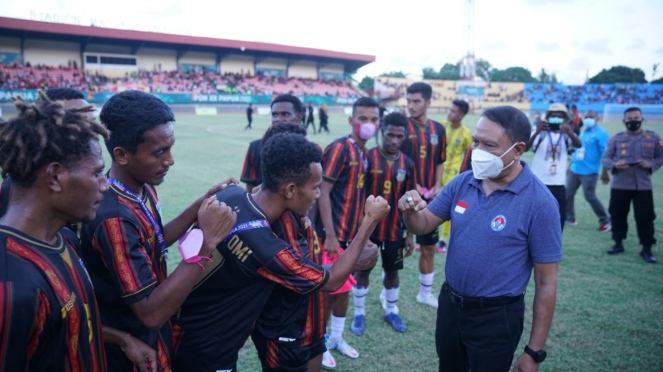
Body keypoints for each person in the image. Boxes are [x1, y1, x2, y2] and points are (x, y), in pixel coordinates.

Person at [172, 133, 388, 372]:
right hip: (206, 347)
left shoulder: (230, 195)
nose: (318, 195)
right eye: (315, 188)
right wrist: (369, 222)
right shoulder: (265, 246)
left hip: (186, 325)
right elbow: (332, 280)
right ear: (291, 190)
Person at [80, 90, 238, 372]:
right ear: (122, 154)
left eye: (170, 148)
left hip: (155, 336)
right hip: (129, 350)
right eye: (159, 152)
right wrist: (205, 247)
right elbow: (150, 313)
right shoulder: (113, 219)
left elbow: (154, 239)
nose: (170, 160)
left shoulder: (141, 187)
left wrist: (201, 202)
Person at [399, 105, 562, 372]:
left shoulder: (540, 203)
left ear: (518, 150)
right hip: (451, 306)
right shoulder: (464, 182)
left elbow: (546, 282)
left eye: (490, 145)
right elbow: (423, 223)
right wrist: (409, 209)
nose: (478, 151)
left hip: (497, 318)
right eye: (476, 141)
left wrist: (534, 352)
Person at [0, 92, 108, 371]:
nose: (105, 185)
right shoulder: (11, 289)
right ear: (56, 177)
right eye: (97, 173)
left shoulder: (67, 239)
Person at [317, 97, 380, 367]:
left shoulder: (364, 151)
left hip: (350, 237)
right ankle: (318, 344)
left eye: (374, 119)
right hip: (332, 236)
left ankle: (336, 338)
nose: (369, 124)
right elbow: (323, 192)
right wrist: (330, 235)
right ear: (351, 120)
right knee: (327, 292)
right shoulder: (339, 148)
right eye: (363, 118)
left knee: (344, 290)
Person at [351, 112, 416, 335]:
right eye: (390, 135)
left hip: (395, 230)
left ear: (405, 136)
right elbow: (359, 196)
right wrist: (362, 231)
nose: (394, 141)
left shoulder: (407, 163)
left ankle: (390, 311)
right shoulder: (368, 157)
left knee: (392, 272)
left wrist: (409, 234)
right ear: (382, 133)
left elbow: (409, 199)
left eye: (399, 136)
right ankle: (359, 314)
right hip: (368, 229)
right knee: (363, 271)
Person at [400, 82, 446, 308]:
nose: (411, 105)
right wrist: (411, 184)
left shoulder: (439, 129)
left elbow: (440, 161)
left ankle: (425, 293)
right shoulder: (401, 128)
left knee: (428, 246)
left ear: (428, 102)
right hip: (403, 197)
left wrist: (438, 184)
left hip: (430, 198)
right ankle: (388, 297)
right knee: (397, 247)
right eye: (409, 101)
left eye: (416, 101)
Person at [602, 107, 663, 263]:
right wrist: (615, 165)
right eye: (629, 119)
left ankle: (647, 248)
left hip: (643, 186)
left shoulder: (653, 137)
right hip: (620, 184)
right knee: (618, 215)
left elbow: (660, 157)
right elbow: (606, 159)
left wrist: (650, 165)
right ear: (624, 121)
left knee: (645, 217)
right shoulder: (616, 138)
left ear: (642, 119)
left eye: (636, 118)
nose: (633, 121)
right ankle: (618, 243)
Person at [526, 103, 581, 230]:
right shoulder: (540, 132)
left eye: (559, 116)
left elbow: (578, 145)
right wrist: (537, 132)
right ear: (548, 117)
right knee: (535, 217)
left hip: (559, 184)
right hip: (539, 182)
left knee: (559, 218)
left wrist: (570, 132)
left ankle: (555, 245)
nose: (556, 118)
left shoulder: (567, 134)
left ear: (564, 119)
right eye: (553, 116)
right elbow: (525, 148)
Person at [241, 94, 304, 192]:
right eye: (274, 115)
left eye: (285, 114)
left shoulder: (310, 150)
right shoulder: (255, 147)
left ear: (299, 117)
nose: (278, 119)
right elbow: (250, 190)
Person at [565, 110, 611, 232]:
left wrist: (605, 170)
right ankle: (570, 218)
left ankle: (605, 220)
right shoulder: (584, 132)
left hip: (590, 171)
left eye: (591, 117)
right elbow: (578, 150)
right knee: (568, 194)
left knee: (590, 196)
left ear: (597, 119)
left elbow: (605, 153)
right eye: (586, 117)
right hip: (576, 169)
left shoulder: (602, 134)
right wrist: (570, 165)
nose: (588, 119)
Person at [438, 99, 473, 253]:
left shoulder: (466, 134)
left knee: (450, 206)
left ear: (461, 115)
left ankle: (443, 239)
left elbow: (469, 155)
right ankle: (426, 237)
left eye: (453, 111)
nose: (449, 113)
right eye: (449, 109)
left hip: (454, 174)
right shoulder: (441, 126)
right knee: (429, 201)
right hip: (437, 171)